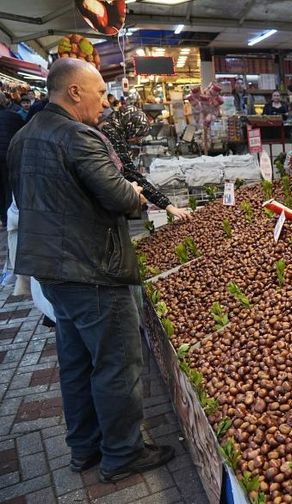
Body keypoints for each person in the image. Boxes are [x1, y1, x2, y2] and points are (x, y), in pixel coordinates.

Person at [6, 58, 175, 483]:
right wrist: (135, 192)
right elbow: (119, 197)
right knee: (116, 363)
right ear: (74, 92)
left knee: (77, 360)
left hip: (52, 268)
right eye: (100, 92)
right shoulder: (78, 136)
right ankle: (122, 453)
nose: (105, 101)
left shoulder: (24, 136)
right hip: (92, 268)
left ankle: (84, 448)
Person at [99, 106, 190, 220]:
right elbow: (131, 173)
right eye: (137, 136)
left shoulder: (111, 127)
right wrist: (169, 206)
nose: (137, 140)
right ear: (130, 127)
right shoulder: (112, 135)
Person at [0, 93, 24, 227]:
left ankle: (3, 218)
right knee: (9, 187)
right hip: (9, 156)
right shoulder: (13, 116)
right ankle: (10, 216)